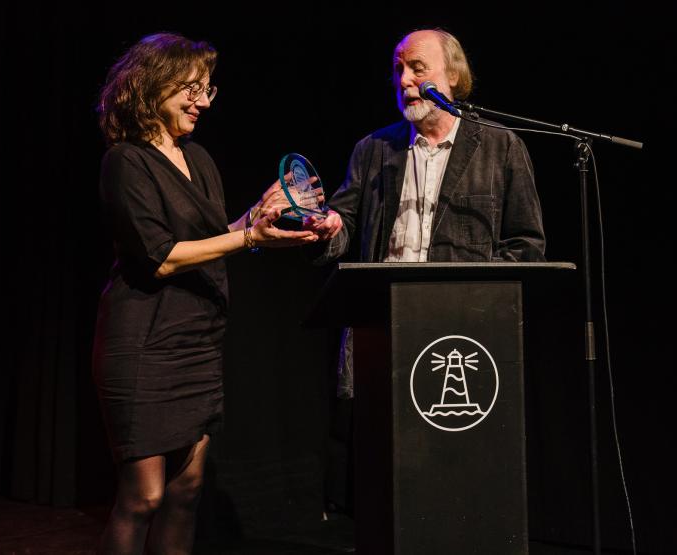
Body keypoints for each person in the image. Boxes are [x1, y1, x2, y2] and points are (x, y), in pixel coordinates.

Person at [92, 32, 318, 555]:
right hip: (146, 343)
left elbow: (216, 237)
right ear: (151, 87)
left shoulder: (201, 160)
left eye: (207, 89)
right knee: (142, 497)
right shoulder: (125, 162)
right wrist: (247, 236)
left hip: (197, 342)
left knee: (187, 490)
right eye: (189, 88)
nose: (202, 100)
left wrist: (261, 217)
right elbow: (162, 255)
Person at [307, 27, 546, 397]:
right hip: (383, 324)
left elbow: (526, 246)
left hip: (466, 332)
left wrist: (483, 309)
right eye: (398, 69)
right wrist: (326, 229)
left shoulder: (502, 148)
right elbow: (342, 228)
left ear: (452, 75)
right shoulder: (373, 149)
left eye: (417, 68)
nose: (404, 80)